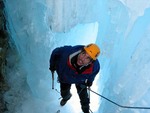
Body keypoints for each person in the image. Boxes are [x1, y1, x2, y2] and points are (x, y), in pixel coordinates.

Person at [49, 43, 100, 113]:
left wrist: (90, 81)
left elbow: (94, 73)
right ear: (81, 51)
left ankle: (86, 110)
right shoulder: (67, 52)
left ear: (91, 62)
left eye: (87, 58)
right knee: (64, 93)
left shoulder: (94, 67)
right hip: (65, 79)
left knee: (84, 100)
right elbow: (55, 52)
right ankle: (66, 97)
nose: (82, 58)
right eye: (83, 53)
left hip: (80, 81)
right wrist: (52, 65)